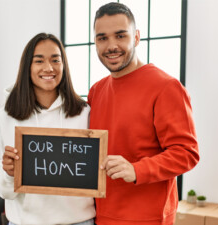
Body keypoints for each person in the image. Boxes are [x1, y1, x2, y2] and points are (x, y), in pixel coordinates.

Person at [88, 3, 200, 225]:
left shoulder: (166, 87)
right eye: (102, 38)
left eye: (120, 36)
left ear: (136, 37)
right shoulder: (96, 90)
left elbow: (187, 153)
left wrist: (136, 169)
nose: (111, 46)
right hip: (101, 217)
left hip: (147, 219)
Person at [0, 33, 95, 225]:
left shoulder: (84, 113)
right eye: (39, 61)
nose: (48, 68)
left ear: (64, 65)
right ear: (27, 67)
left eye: (55, 60)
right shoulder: (5, 117)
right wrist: (8, 173)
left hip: (79, 221)